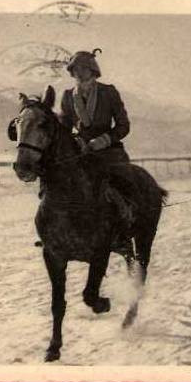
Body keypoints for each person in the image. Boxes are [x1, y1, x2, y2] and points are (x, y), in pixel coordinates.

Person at [59, 49, 136, 242]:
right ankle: (57, 229)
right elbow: (64, 128)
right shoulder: (68, 96)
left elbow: (123, 126)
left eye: (82, 69)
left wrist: (102, 141)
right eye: (74, 69)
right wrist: (75, 141)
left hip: (109, 149)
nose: (78, 73)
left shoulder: (108, 92)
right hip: (80, 149)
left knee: (120, 182)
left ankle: (127, 222)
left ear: (93, 70)